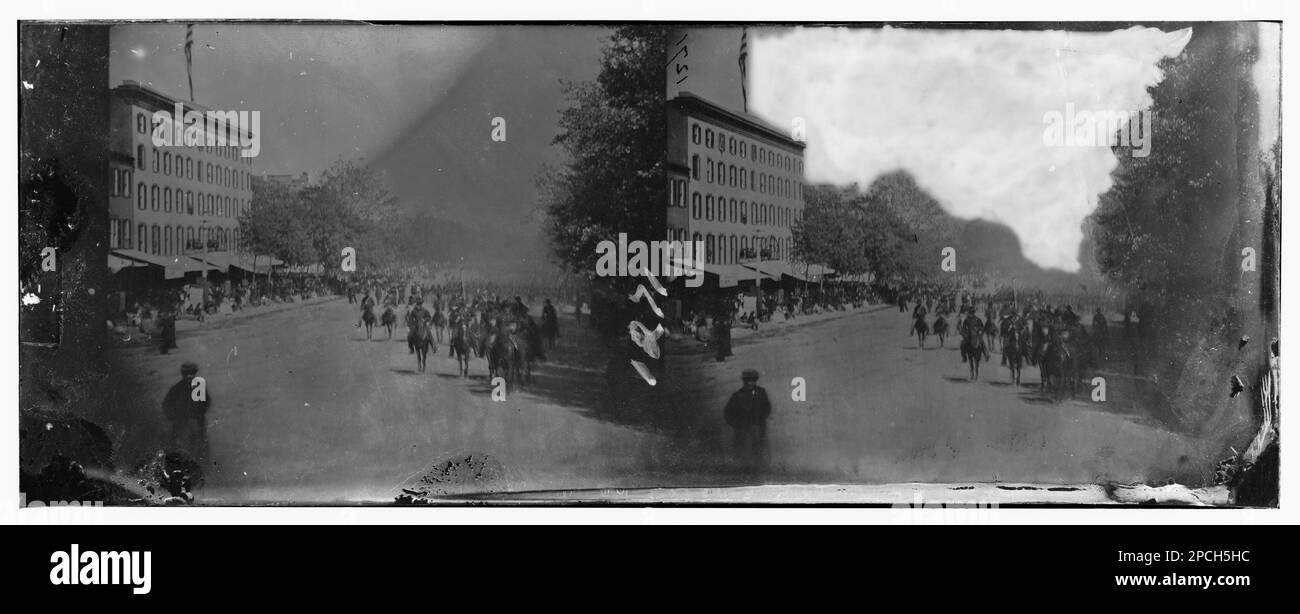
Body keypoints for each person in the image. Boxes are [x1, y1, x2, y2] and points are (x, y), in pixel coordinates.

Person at [162, 361, 211, 461]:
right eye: (186, 373)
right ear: (183, 374)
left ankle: (203, 462)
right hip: (181, 424)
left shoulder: (199, 387)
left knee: (201, 446)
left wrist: (199, 414)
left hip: (197, 422)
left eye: (192, 373)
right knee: (181, 448)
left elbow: (206, 402)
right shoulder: (176, 389)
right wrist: (175, 417)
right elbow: (166, 405)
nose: (189, 376)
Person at [723, 369, 772, 467]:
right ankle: (743, 466)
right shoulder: (737, 395)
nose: (750, 383)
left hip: (757, 425)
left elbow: (767, 407)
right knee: (741, 447)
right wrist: (736, 424)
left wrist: (760, 418)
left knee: (758, 446)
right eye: (747, 381)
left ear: (756, 381)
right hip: (742, 426)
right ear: (744, 381)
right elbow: (727, 412)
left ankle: (759, 465)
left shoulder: (761, 392)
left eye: (753, 380)